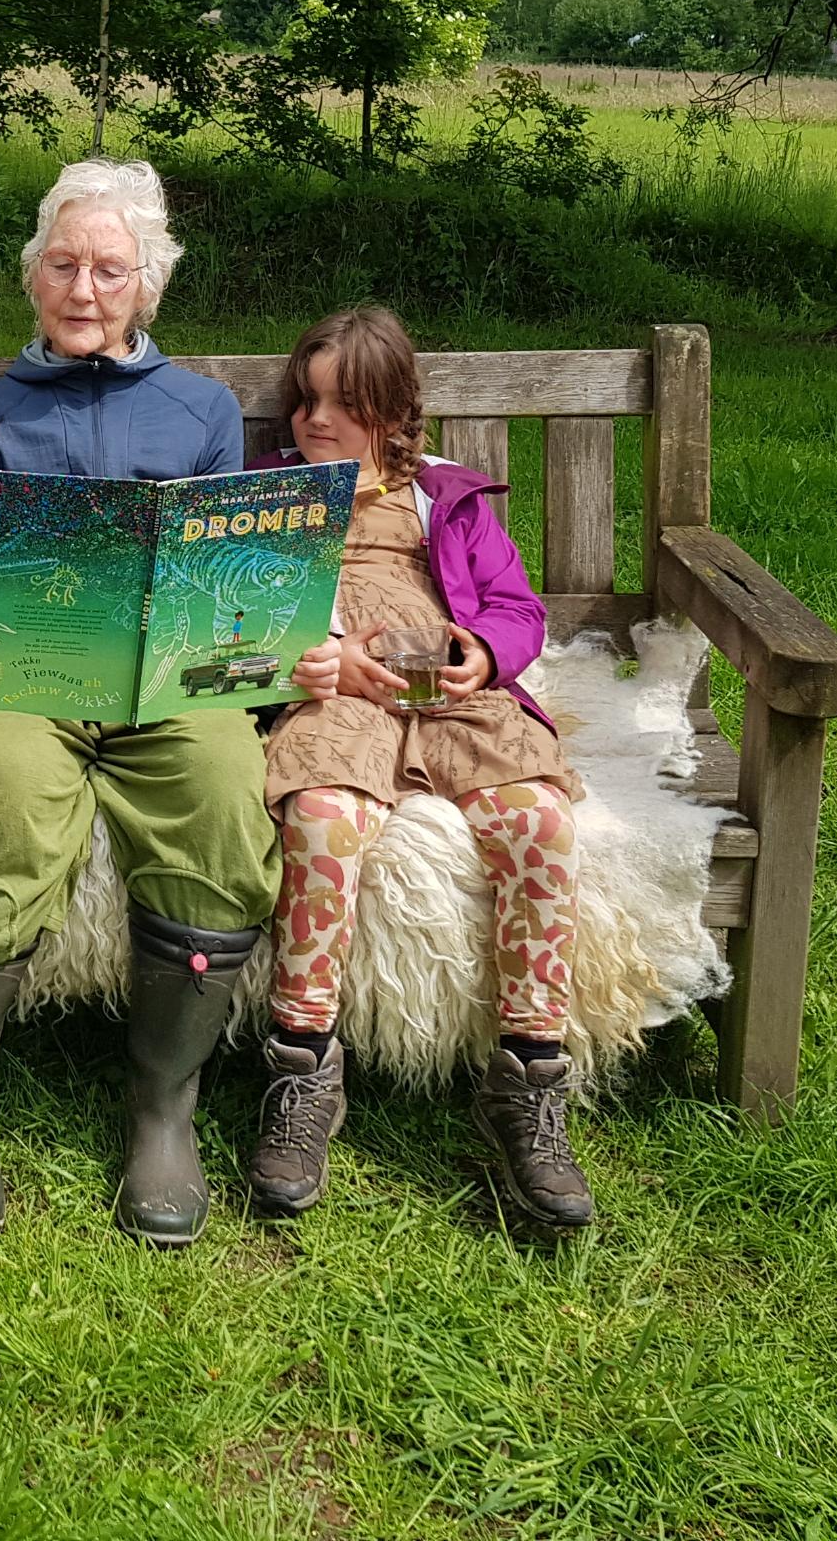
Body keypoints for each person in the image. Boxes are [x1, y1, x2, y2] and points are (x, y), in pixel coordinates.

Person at [0, 159, 332, 1249]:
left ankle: (162, 1111)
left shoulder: (200, 410)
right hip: (21, 684)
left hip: (163, 689)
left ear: (147, 285)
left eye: (107, 267)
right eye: (62, 262)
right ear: (31, 276)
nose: (82, 286)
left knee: (225, 787)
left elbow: (233, 583)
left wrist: (260, 639)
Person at [243, 306, 594, 1233]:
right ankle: (302, 1062)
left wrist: (483, 654)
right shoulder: (273, 492)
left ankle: (527, 1077)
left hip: (447, 686)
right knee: (320, 816)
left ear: (395, 412)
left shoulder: (448, 498)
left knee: (539, 823)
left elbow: (516, 607)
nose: (318, 420)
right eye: (306, 401)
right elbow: (239, 602)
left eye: (345, 406)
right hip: (338, 695)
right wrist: (317, 651)